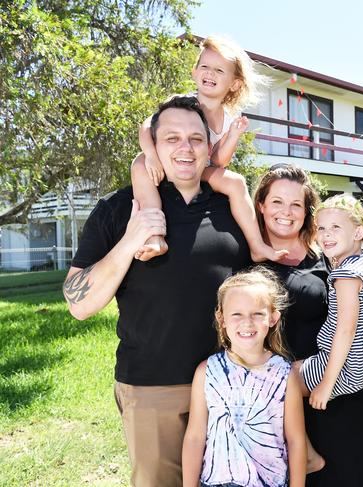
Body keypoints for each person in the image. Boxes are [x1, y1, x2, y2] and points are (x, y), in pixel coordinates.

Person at [64, 95, 250, 487]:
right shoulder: (119, 208)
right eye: (172, 138)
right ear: (153, 145)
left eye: (196, 139)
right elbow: (78, 305)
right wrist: (131, 240)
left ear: (209, 146)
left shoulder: (231, 206)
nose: (186, 148)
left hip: (229, 385)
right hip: (152, 388)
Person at [253, 164, 363, 486]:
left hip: (336, 391)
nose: (286, 212)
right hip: (276, 403)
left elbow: (359, 323)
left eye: (296, 205)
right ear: (261, 205)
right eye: (277, 202)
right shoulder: (245, 255)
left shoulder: (331, 258)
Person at [131, 34, 283, 263]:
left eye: (220, 71)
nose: (210, 73)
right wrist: (152, 155)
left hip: (201, 169)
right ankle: (154, 235)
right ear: (194, 72)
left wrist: (232, 135)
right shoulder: (182, 103)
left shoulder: (228, 118)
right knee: (139, 163)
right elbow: (146, 128)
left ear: (235, 83)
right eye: (205, 66)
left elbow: (219, 161)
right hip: (172, 162)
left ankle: (257, 245)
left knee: (237, 182)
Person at [182, 268, 306, 487]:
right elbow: (194, 438)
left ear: (273, 317)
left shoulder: (284, 374)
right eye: (236, 314)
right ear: (221, 318)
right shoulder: (207, 371)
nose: (247, 323)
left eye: (257, 314)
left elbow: (296, 440)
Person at [296, 194, 363, 410]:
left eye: (336, 227)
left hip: (348, 366)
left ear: (358, 232)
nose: (326, 234)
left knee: (280, 383)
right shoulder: (361, 263)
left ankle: (300, 445)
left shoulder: (347, 275)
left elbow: (345, 330)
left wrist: (326, 384)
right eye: (321, 228)